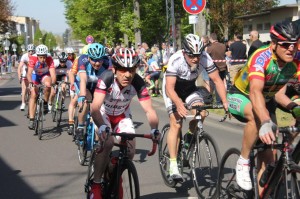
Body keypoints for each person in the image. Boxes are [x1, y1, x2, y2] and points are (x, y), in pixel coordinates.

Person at [227, 21, 300, 193]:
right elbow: (255, 92)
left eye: (294, 44)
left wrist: (294, 107)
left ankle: (287, 150)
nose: (291, 49)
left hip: (266, 101)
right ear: (274, 44)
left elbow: (280, 95)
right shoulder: (262, 57)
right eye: (285, 44)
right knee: (257, 117)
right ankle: (243, 160)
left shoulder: (295, 61)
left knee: (269, 160)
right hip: (241, 96)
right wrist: (266, 121)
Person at [89, 48, 160, 198]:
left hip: (122, 116)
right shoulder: (106, 78)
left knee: (130, 151)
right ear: (114, 68)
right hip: (104, 115)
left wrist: (154, 129)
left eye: (132, 69)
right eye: (122, 69)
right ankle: (95, 185)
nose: (127, 74)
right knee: (108, 143)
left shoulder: (138, 82)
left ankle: (115, 171)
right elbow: (95, 108)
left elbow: (149, 110)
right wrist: (101, 126)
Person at [162, 34, 228, 180]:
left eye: (198, 55)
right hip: (172, 89)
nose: (196, 59)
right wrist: (179, 104)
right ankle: (173, 166)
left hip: (190, 87)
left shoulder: (205, 57)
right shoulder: (176, 60)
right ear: (184, 52)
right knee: (176, 123)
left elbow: (217, 80)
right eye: (192, 55)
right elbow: (169, 89)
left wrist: (225, 101)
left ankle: (188, 138)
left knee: (202, 113)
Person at [75, 43, 110, 141]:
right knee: (86, 101)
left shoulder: (107, 62)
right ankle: (80, 127)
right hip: (84, 84)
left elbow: (111, 81)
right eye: (94, 59)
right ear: (89, 58)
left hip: (98, 86)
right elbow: (83, 79)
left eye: (100, 60)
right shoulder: (83, 59)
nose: (97, 63)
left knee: (101, 106)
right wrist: (82, 96)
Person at [27, 44, 56, 129]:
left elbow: (53, 74)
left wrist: (53, 83)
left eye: (44, 57)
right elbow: (29, 73)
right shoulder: (33, 58)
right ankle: (32, 120)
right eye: (40, 57)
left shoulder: (49, 59)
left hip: (44, 75)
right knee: (33, 94)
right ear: (37, 56)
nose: (43, 59)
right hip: (35, 76)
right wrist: (30, 82)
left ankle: (46, 103)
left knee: (48, 85)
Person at [207, 33, 227, 104]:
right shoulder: (223, 46)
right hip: (223, 67)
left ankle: (218, 100)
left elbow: (207, 55)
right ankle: (222, 98)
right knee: (221, 83)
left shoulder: (210, 47)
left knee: (215, 84)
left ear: (211, 39)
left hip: (214, 68)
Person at [18, 44, 35, 111]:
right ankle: (23, 103)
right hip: (26, 70)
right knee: (24, 88)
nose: (31, 53)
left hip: (33, 70)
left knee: (33, 88)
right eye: (29, 51)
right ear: (27, 51)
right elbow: (20, 67)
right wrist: (19, 76)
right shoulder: (24, 56)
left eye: (32, 51)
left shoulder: (36, 56)